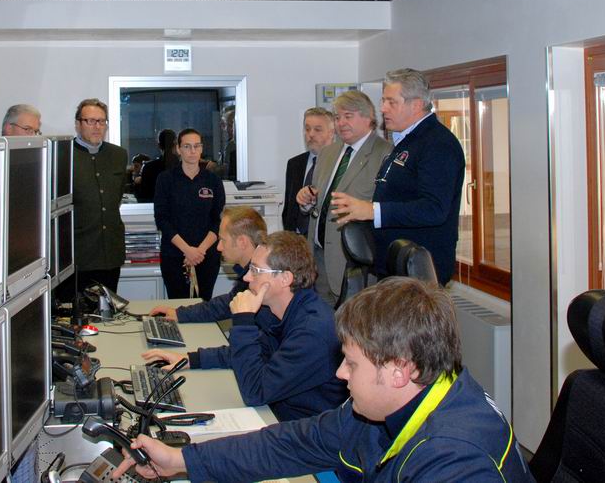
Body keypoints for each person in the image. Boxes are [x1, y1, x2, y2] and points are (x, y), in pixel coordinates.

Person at [114, 277, 532, 483]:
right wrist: (183, 461)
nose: (339, 373)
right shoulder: (393, 403)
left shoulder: (456, 460)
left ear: (400, 370)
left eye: (351, 364)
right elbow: (295, 442)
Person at [142, 231, 346, 421]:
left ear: (285, 279)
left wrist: (243, 321)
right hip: (277, 414)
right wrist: (190, 359)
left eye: (256, 270)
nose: (247, 277)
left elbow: (255, 392)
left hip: (298, 428)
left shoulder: (312, 332)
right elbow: (255, 352)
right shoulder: (282, 311)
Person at [330, 69, 465, 285]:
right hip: (395, 267)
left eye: (391, 102)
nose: (383, 108)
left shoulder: (438, 144)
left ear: (416, 104)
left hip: (419, 273)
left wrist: (372, 211)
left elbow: (434, 209)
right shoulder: (407, 140)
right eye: (383, 101)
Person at [296, 92, 393, 303]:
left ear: (368, 118)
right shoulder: (328, 153)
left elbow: (387, 210)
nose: (341, 123)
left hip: (354, 263)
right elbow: (318, 199)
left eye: (348, 116)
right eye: (337, 117)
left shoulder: (386, 154)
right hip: (318, 257)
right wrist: (307, 200)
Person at [148, 206, 266, 322]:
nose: (219, 247)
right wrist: (180, 314)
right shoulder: (253, 271)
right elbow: (226, 304)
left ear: (242, 242)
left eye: (223, 240)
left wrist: (180, 314)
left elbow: (225, 307)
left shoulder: (261, 278)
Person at [153, 128, 226, 300]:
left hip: (206, 255)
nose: (192, 151)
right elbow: (162, 219)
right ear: (178, 149)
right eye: (187, 146)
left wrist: (199, 251)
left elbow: (218, 220)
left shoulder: (213, 181)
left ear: (201, 148)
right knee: (177, 307)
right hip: (175, 255)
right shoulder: (165, 179)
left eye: (196, 146)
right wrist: (187, 250)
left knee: (204, 306)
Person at [71, 98, 128, 292]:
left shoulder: (118, 155)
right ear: (78, 124)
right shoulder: (64, 155)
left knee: (109, 308)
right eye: (90, 121)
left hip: (110, 253)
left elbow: (116, 196)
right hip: (78, 255)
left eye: (101, 121)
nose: (97, 126)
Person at [282, 107, 336, 234]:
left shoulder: (339, 163)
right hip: (296, 239)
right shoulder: (294, 164)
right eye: (307, 129)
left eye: (317, 129)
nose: (311, 134)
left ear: (331, 133)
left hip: (324, 238)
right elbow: (289, 208)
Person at [135, 129, 177, 203]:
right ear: (175, 144)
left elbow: (143, 197)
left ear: (159, 145)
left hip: (153, 208)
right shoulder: (183, 166)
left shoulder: (149, 167)